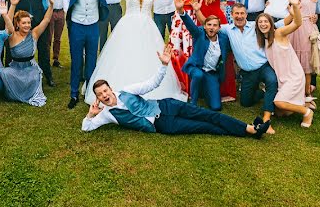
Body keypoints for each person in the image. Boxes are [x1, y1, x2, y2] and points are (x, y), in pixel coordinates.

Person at [82, 43, 269, 138]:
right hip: (163, 126)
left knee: (206, 114)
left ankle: (251, 129)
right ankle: (245, 131)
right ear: (98, 98)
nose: (104, 96)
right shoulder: (107, 114)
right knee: (204, 127)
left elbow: (151, 84)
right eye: (100, 95)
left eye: (105, 91)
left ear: (110, 88)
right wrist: (90, 116)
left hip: (166, 106)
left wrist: (164, 65)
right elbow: (86, 128)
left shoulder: (126, 91)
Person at [84, 0, 186, 105]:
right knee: (125, 54)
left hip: (147, 28)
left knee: (147, 55)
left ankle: (150, 89)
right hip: (128, 26)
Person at [47, 0, 131, 109]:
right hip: (77, 26)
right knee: (77, 60)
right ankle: (73, 94)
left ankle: (93, 94)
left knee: (92, 61)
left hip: (93, 26)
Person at [255, 0, 315, 128]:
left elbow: (297, 23)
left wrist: (294, 5)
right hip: (282, 78)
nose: (263, 24)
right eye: (260, 22)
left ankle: (307, 112)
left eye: (266, 22)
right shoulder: (263, 40)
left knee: (278, 103)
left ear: (271, 23)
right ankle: (303, 103)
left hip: (293, 76)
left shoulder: (279, 33)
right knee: (282, 113)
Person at [222, 3, 279, 133]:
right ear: (231, 15)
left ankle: (266, 118)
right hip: (247, 72)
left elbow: (279, 25)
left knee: (272, 81)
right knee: (245, 102)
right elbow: (207, 25)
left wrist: (293, 13)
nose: (239, 16)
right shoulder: (227, 29)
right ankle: (263, 93)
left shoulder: (256, 25)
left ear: (246, 14)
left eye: (242, 13)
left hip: (263, 66)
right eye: (236, 13)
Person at [175, 0, 231, 111]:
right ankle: (193, 102)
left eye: (215, 25)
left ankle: (206, 91)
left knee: (216, 107)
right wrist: (181, 11)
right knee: (198, 75)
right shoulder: (199, 34)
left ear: (219, 28)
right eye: (209, 25)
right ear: (204, 26)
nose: (211, 27)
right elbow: (190, 25)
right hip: (197, 68)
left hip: (212, 72)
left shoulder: (224, 39)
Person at [0, 0, 54, 107]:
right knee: (5, 72)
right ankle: (15, 94)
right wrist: (13, 5)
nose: (27, 25)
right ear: (18, 24)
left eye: (28, 23)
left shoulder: (34, 34)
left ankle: (30, 93)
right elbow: (8, 25)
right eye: (24, 23)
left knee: (35, 74)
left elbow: (46, 20)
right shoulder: (12, 35)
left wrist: (51, 5)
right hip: (16, 67)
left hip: (30, 67)